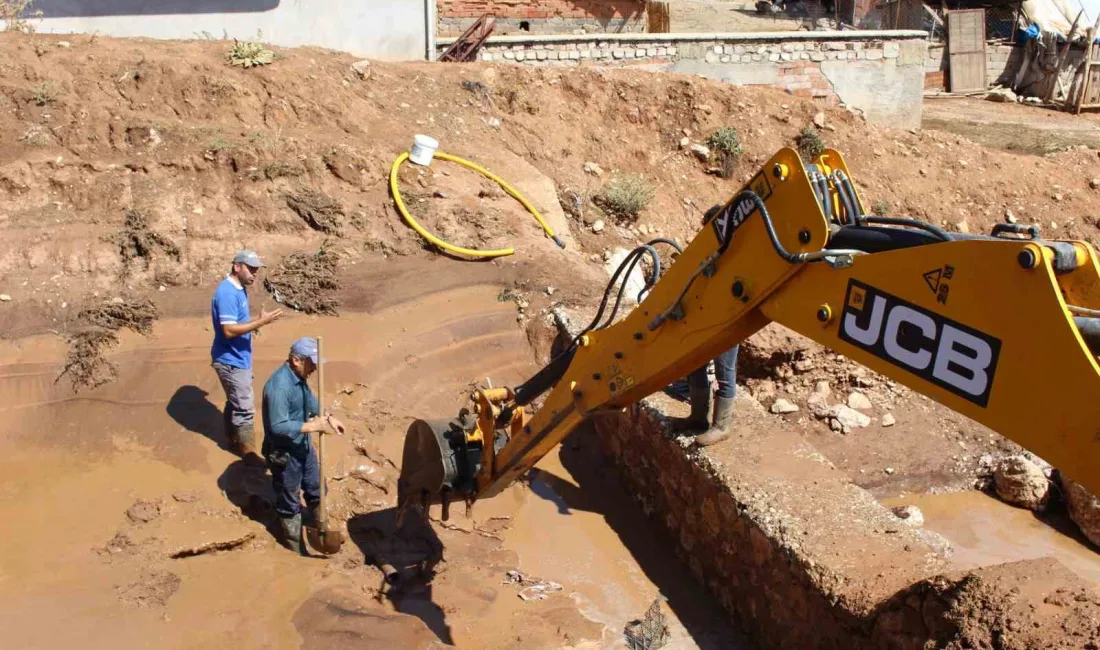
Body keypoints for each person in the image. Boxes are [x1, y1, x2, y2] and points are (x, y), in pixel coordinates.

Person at [261, 337, 345, 554]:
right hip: (285, 454)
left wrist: (327, 418)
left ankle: (321, 527)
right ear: (296, 360)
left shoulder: (299, 379)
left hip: (304, 448)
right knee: (289, 500)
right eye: (312, 362)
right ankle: (295, 547)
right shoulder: (279, 387)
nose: (315, 367)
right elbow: (278, 425)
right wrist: (312, 427)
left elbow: (311, 403)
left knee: (317, 488)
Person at [667, 202, 739, 446]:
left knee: (724, 373)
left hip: (728, 322)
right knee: (694, 366)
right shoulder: (707, 252)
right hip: (702, 320)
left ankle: (722, 426)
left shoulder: (738, 254)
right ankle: (698, 418)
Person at [210, 249, 283, 460]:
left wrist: (255, 326)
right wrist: (261, 322)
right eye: (250, 269)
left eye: (256, 270)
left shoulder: (239, 288)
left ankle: (231, 439)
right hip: (231, 360)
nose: (254, 274)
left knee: (235, 401)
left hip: (237, 357)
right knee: (245, 409)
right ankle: (249, 458)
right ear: (237, 266)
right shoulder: (227, 293)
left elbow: (237, 325)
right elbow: (228, 330)